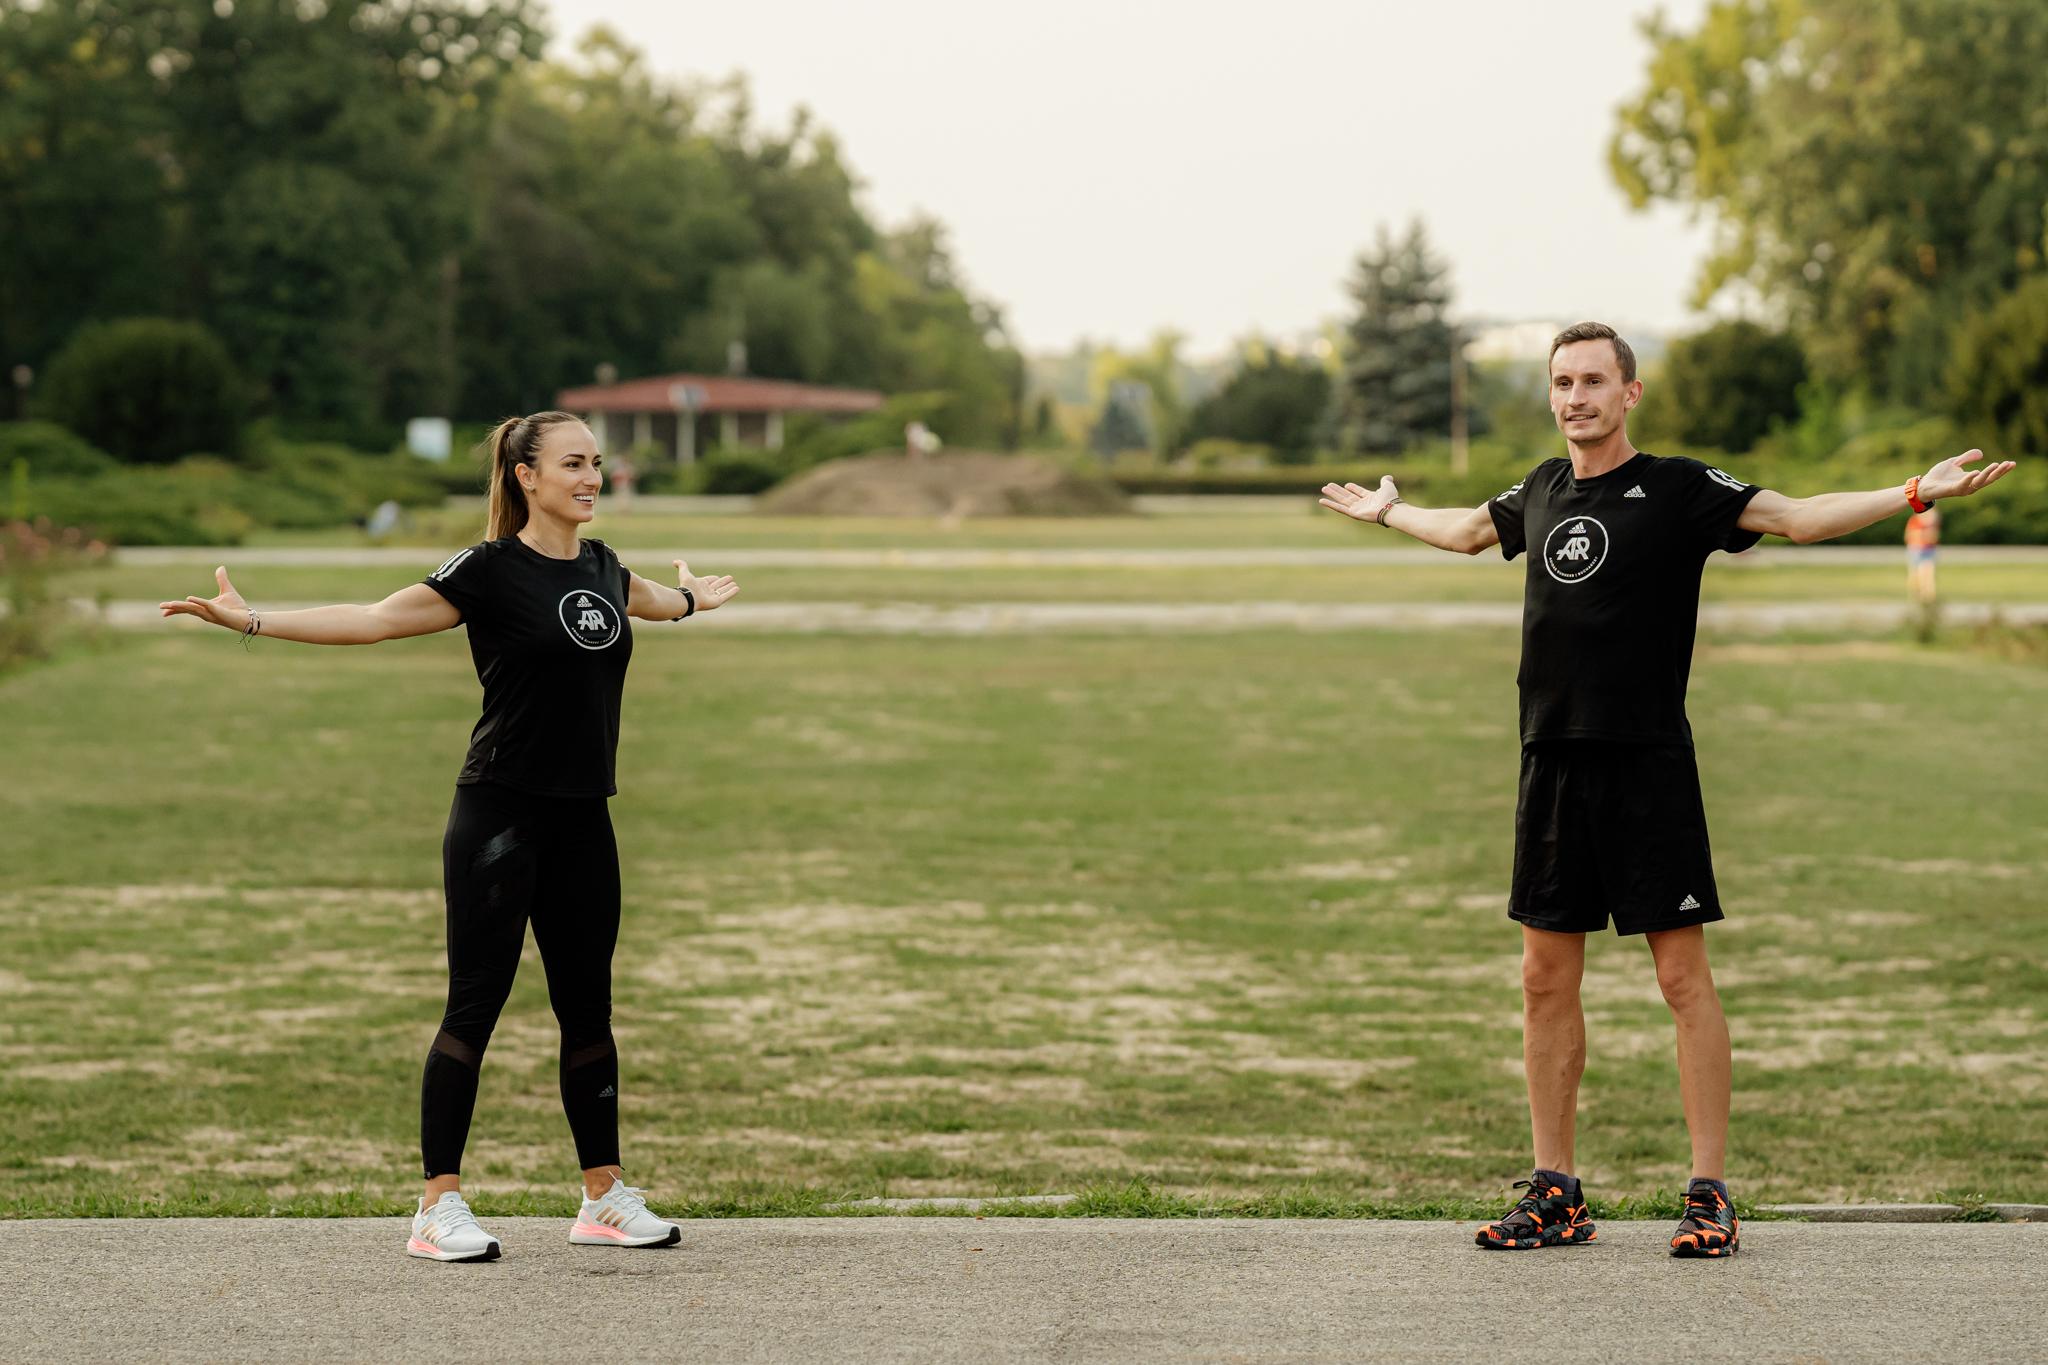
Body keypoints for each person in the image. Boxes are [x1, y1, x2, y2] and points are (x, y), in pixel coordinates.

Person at [1319, 322, 2015, 1259]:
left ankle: (1709, 1192)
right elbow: (1468, 532)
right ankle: (1557, 1190)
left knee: (1681, 976)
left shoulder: (1683, 488)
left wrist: (1911, 492)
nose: (1576, 398)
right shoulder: (1541, 488)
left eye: (1594, 381)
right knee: (1540, 979)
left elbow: (1799, 517)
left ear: (1629, 393)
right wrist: (1388, 513)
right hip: (1552, 762)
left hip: (1647, 764)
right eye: (1563, 382)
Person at [159, 410, 740, 1262]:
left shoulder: (604, 567)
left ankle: (603, 1196)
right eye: (573, 463)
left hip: (585, 815)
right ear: (524, 476)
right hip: (500, 815)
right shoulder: (487, 570)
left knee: (589, 1011)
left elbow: (650, 603)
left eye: (597, 463)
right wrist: (253, 620)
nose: (591, 477)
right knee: (475, 1006)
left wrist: (693, 599)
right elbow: (374, 618)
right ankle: (438, 1206)